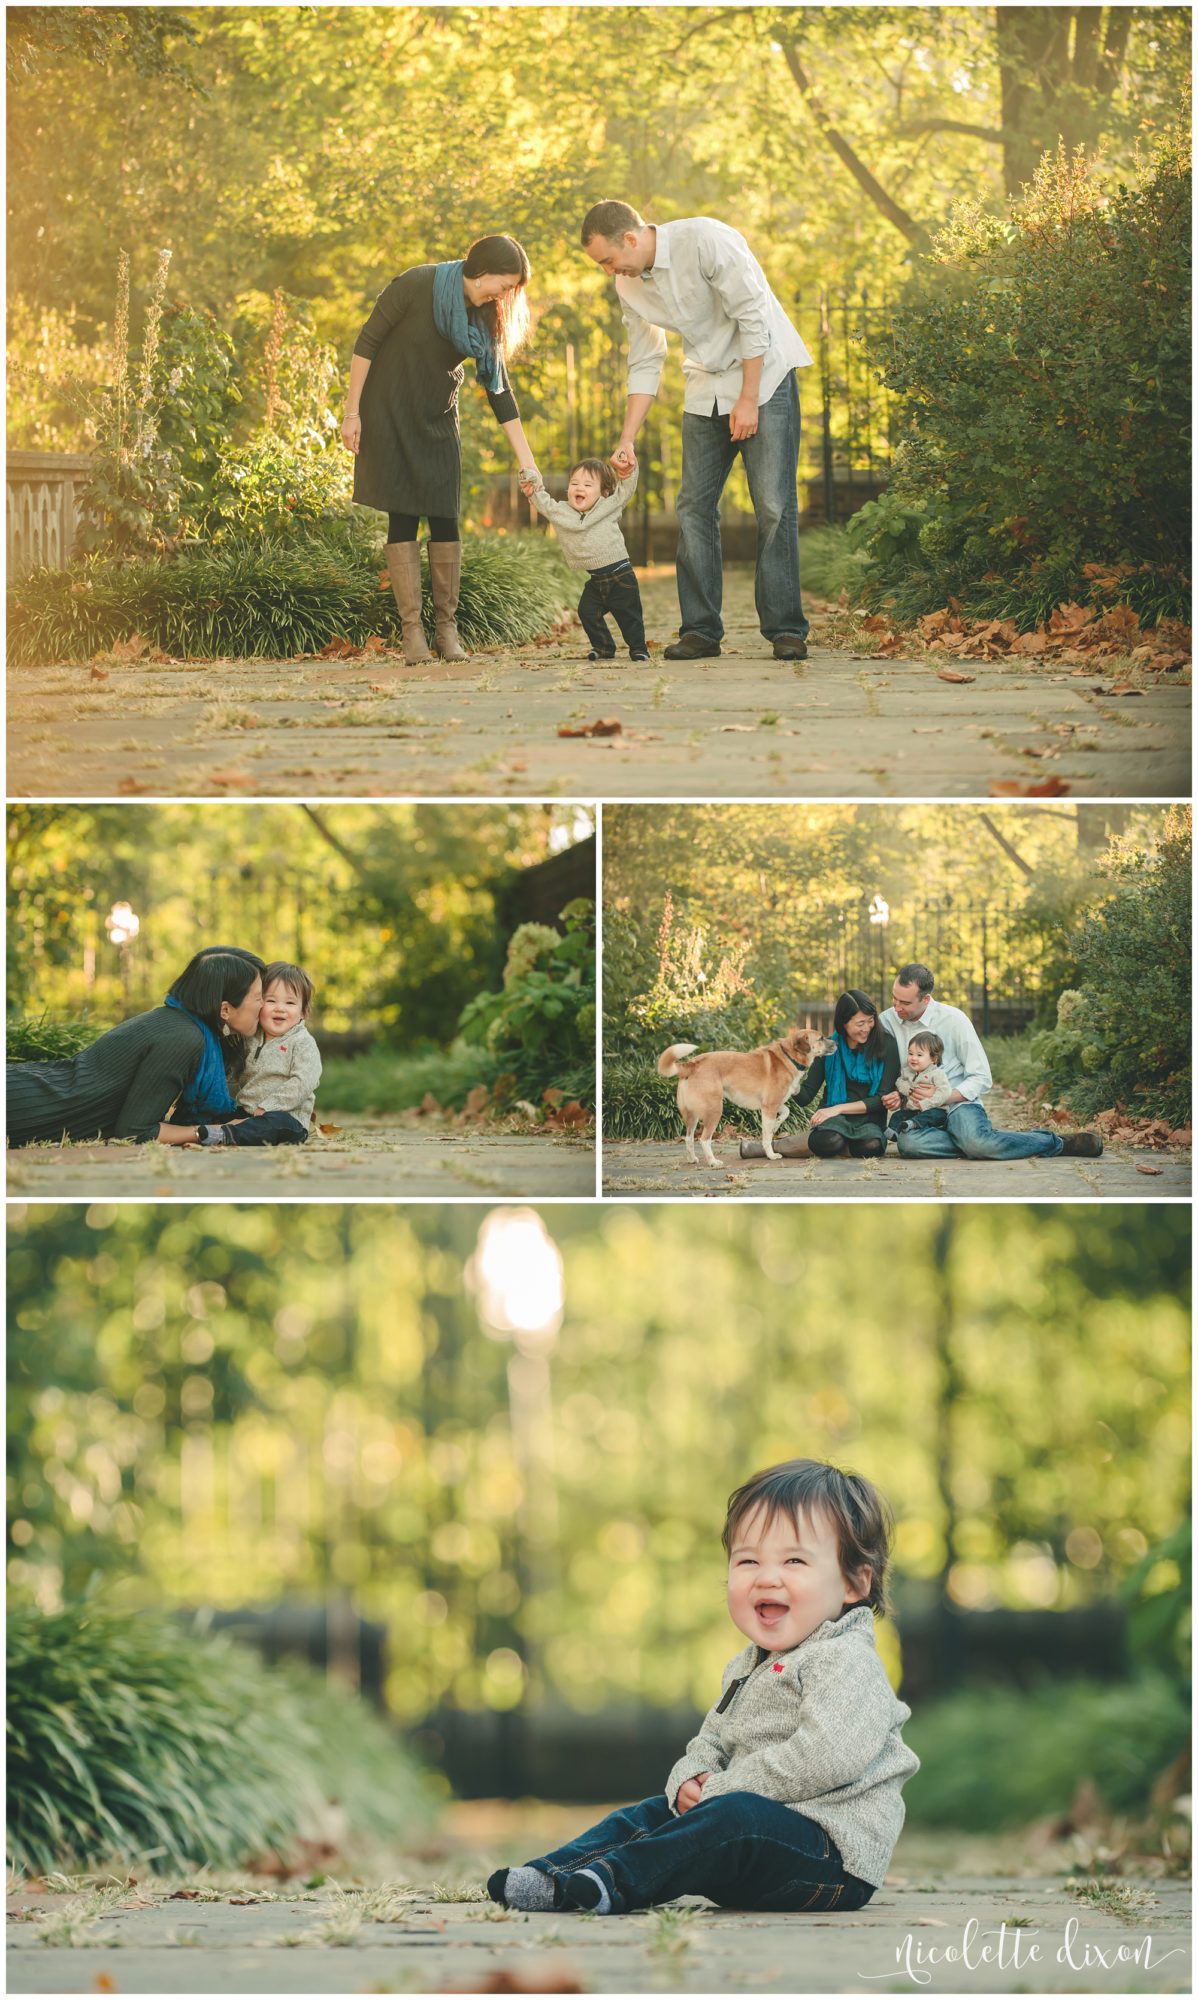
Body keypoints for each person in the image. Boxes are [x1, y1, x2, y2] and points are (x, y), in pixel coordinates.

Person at [487, 1457, 918, 1915]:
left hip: (829, 1860)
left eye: (794, 1560)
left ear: (854, 1583)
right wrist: (689, 1781)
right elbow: (712, 1738)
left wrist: (722, 1789)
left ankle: (615, 1881)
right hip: (749, 1844)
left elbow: (825, 1756)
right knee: (651, 1814)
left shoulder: (846, 1660)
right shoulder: (747, 1665)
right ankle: (555, 1878)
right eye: (748, 1560)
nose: (766, 1576)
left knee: (735, 1817)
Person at [580, 200, 812, 662]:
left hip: (763, 379)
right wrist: (627, 438)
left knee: (773, 505)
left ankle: (786, 629)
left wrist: (747, 401)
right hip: (705, 385)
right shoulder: (628, 286)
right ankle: (701, 632)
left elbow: (754, 318)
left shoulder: (705, 239)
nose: (609, 271)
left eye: (608, 260)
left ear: (631, 238)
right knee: (693, 508)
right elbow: (646, 359)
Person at [343, 235, 538, 664]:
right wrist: (351, 412)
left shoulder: (486, 317)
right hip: (390, 412)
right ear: (481, 271)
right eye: (503, 285)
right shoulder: (417, 284)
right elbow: (367, 341)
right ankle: (412, 633)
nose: (504, 296)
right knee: (404, 515)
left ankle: (446, 631)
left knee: (446, 517)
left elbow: (499, 391)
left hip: (437, 417)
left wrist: (527, 461)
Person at [7, 948, 265, 1148]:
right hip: (22, 1108)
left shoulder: (177, 1023)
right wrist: (220, 1132)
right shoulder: (184, 1038)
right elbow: (135, 1132)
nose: (264, 1005)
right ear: (225, 1009)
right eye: (258, 997)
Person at [880, 964, 1103, 1160]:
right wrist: (897, 1094)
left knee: (977, 1143)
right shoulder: (888, 1020)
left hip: (959, 1105)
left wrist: (943, 1097)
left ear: (926, 999)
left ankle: (1055, 1143)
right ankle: (972, 1140)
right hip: (920, 1112)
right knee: (909, 1144)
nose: (896, 1007)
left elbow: (982, 1077)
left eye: (905, 1002)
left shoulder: (954, 1019)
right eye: (894, 998)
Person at [163, 960, 321, 1149]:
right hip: (246, 1113)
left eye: (290, 1003)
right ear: (258, 1004)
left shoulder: (302, 1042)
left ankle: (222, 1134)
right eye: (271, 1001)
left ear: (303, 1012)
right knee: (219, 1114)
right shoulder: (251, 1035)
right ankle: (193, 1130)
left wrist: (269, 1106)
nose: (280, 1008)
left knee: (276, 1125)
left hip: (287, 1117)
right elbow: (226, 1051)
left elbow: (304, 1081)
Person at [519, 457, 648, 661]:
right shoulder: (561, 511)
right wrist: (530, 481)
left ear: (603, 492)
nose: (580, 488)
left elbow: (627, 489)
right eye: (574, 483)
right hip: (596, 580)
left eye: (588, 485)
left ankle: (639, 648)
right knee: (587, 612)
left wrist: (629, 466)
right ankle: (604, 647)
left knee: (629, 615)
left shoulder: (610, 505)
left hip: (621, 576)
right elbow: (542, 501)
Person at [794, 990, 901, 1159]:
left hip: (870, 1120)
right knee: (828, 1142)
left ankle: (834, 1147)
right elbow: (805, 1096)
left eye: (870, 1020)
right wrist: (788, 1080)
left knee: (871, 1146)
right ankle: (841, 1146)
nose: (867, 1028)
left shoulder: (887, 1044)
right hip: (834, 1121)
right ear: (844, 1023)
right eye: (860, 1024)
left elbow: (881, 1099)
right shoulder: (828, 1046)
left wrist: (836, 1109)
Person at [888, 1030, 955, 1141]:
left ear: (933, 1058)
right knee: (897, 1115)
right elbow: (899, 1082)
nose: (913, 1058)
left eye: (919, 1055)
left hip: (935, 1109)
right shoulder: (907, 1071)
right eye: (910, 1053)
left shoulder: (937, 1074)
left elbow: (944, 1092)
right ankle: (894, 1133)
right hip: (913, 1110)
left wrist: (925, 1104)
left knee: (931, 1116)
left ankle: (913, 1124)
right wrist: (907, 1089)